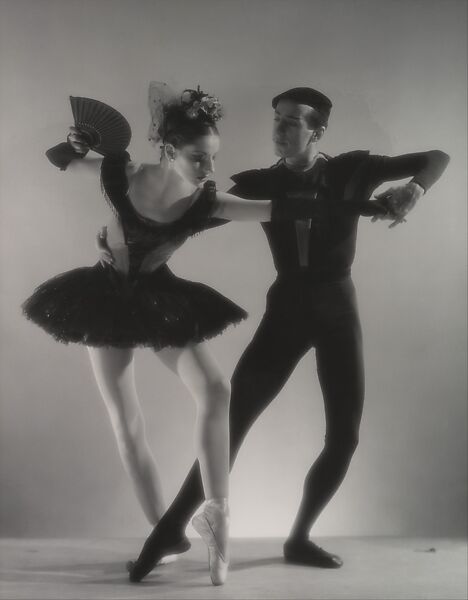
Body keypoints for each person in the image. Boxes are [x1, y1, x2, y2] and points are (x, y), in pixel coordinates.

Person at [23, 85, 387, 586]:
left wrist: (369, 209)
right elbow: (60, 160)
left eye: (213, 159)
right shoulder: (119, 173)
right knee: (126, 424)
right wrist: (78, 141)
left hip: (158, 300)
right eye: (200, 159)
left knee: (216, 390)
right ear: (170, 150)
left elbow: (286, 209)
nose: (209, 170)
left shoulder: (205, 202)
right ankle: (164, 531)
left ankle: (215, 516)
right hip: (102, 299)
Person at [115, 87, 450, 583]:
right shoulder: (255, 183)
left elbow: (435, 157)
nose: (280, 127)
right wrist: (124, 245)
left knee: (345, 435)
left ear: (317, 131)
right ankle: (169, 530)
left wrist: (414, 189)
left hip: (338, 308)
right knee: (231, 424)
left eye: (293, 121)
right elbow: (185, 211)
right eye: (277, 118)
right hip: (287, 310)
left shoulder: (353, 168)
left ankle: (299, 537)